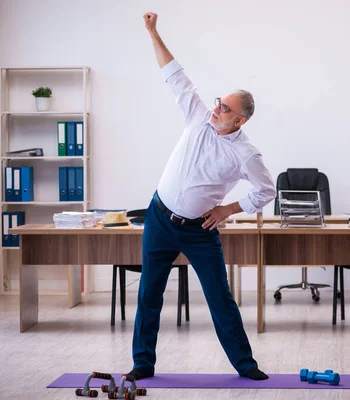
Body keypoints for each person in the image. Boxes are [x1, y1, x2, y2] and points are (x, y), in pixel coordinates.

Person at [128, 11, 276, 381]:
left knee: (220, 299)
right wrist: (152, 31)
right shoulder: (197, 115)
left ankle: (246, 366)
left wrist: (228, 209)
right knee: (149, 295)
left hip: (199, 230)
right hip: (160, 217)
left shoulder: (246, 154)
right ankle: (142, 364)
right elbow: (173, 73)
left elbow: (266, 190)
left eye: (225, 108)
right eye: (218, 101)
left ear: (239, 120)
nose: (216, 108)